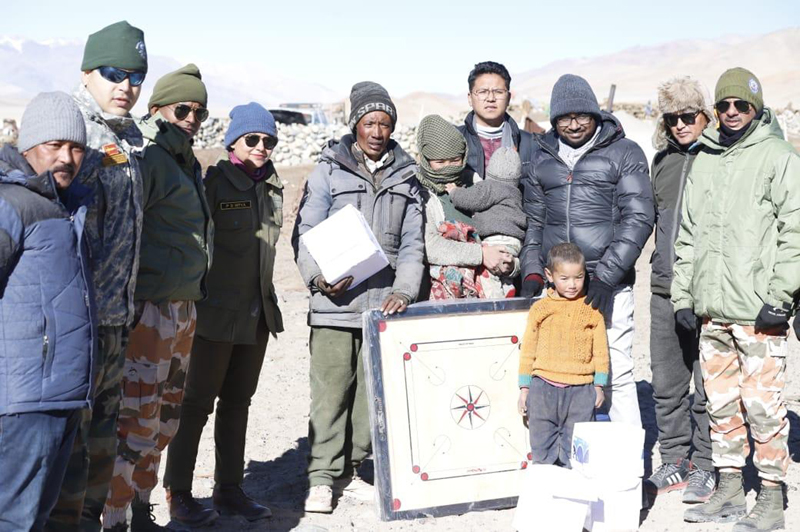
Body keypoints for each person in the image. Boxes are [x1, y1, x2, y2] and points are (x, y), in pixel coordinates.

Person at [675, 68, 800, 532]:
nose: (731, 113)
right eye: (723, 105)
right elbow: (687, 236)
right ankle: (729, 487)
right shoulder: (703, 158)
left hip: (759, 313)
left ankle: (770, 498)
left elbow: (796, 232)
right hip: (712, 311)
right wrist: (684, 296)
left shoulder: (779, 157)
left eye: (740, 106)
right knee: (721, 404)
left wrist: (781, 294)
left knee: (764, 407)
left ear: (756, 107)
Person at [293, 81, 424, 513]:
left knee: (372, 393)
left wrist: (404, 291)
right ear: (355, 125)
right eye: (370, 121)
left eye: (385, 123)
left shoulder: (408, 176)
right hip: (333, 303)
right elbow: (307, 232)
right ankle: (321, 476)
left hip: (382, 304)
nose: (377, 130)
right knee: (330, 392)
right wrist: (317, 279)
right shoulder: (328, 169)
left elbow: (412, 245)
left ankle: (354, 467)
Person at [103, 64, 213, 532]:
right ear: (157, 110)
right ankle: (115, 517)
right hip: (151, 309)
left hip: (183, 306)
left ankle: (144, 506)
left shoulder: (184, 158)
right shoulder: (148, 159)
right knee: (138, 418)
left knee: (165, 419)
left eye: (200, 111)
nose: (191, 117)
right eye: (183, 108)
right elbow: (125, 228)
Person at [163, 103, 283, 526]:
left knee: (238, 403)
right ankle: (178, 491)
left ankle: (229, 489)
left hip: (257, 315)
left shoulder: (272, 186)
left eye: (269, 140)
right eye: (253, 139)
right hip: (215, 313)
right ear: (233, 142)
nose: (261, 147)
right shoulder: (214, 182)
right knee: (195, 404)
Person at [48, 21, 147, 531]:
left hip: (115, 318)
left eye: (135, 76)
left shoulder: (127, 137)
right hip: (76, 324)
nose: (125, 86)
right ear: (87, 72)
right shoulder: (70, 132)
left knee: (103, 441)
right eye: (113, 73)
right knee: (71, 447)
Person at [520, 74, 655, 427]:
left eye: (583, 115)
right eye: (565, 117)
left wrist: (606, 277)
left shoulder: (624, 152)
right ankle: (574, 456)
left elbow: (638, 217)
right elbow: (534, 222)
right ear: (555, 120)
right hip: (558, 288)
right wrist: (533, 271)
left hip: (606, 284)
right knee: (560, 372)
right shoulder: (541, 157)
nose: (574, 124)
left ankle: (626, 469)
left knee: (617, 369)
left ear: (595, 114)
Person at [0, 92, 94, 531]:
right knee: (14, 519)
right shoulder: (12, 204)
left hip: (61, 394)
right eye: (54, 145)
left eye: (75, 148)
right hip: (23, 400)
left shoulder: (68, 207)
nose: (66, 157)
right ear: (27, 147)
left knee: (37, 517)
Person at [645, 77, 716, 502]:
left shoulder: (720, 159)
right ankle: (675, 460)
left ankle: (706, 465)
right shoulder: (662, 161)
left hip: (709, 290)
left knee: (707, 386)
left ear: (705, 115)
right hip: (663, 285)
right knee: (668, 381)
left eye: (689, 116)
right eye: (672, 118)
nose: (681, 125)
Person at [517, 243, 607, 467]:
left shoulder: (591, 309)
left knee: (577, 449)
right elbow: (528, 348)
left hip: (580, 390)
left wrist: (599, 385)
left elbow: (601, 350)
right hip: (543, 388)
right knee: (541, 445)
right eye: (564, 278)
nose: (572, 285)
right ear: (549, 275)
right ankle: (546, 494)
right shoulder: (540, 309)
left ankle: (573, 496)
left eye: (578, 277)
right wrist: (525, 388)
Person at [414, 114, 514, 299]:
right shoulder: (420, 193)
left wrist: (510, 263)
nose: (448, 168)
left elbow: (505, 229)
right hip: (441, 297)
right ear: (425, 160)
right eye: (440, 162)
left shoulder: (476, 184)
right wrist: (481, 254)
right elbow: (430, 246)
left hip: (490, 291)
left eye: (454, 160)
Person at [445, 146, 526, 297]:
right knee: (503, 269)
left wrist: (454, 191)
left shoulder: (489, 187)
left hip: (495, 239)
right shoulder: (516, 191)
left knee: (489, 273)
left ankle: (495, 298)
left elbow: (470, 200)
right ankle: (508, 288)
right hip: (514, 242)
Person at [457, 61, 535, 178]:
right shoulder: (456, 139)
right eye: (482, 92)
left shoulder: (530, 144)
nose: (491, 98)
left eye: (498, 92)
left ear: (508, 98)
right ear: (470, 98)